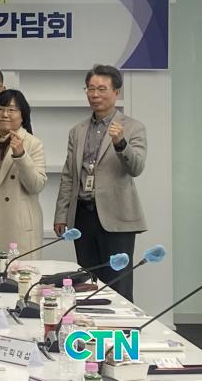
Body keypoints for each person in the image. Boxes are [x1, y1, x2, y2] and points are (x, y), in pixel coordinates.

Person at [54, 65, 146, 301]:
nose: (95, 94)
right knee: (88, 283)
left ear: (116, 92)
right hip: (83, 216)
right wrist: (61, 214)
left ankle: (121, 324)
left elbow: (136, 168)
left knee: (118, 284)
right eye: (90, 88)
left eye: (102, 89)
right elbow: (69, 175)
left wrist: (121, 143)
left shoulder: (133, 127)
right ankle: (91, 324)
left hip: (117, 218)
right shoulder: (77, 131)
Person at [0, 89, 46, 261]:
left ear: (22, 115)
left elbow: (36, 185)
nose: (5, 114)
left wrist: (21, 155)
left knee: (16, 275)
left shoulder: (32, 143)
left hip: (16, 226)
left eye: (11, 110)